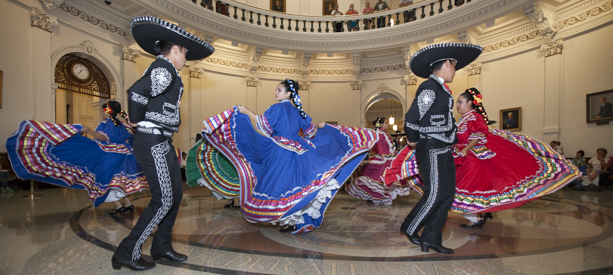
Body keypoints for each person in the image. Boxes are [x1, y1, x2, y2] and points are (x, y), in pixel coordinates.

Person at [198, 79, 377, 235]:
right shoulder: (298, 111)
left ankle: (297, 221)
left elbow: (265, 127)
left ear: (288, 93)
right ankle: (301, 222)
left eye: (279, 90)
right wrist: (323, 126)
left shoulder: (275, 108)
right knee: (299, 186)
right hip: (299, 150)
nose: (276, 92)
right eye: (276, 89)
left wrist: (246, 112)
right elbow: (310, 131)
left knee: (281, 187)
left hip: (280, 152)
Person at [386, 88, 581, 231]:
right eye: (458, 102)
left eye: (461, 102)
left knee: (461, 190)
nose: (458, 105)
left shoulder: (474, 118)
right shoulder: (464, 119)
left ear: (470, 103)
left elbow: (480, 135)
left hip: (472, 158)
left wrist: (465, 150)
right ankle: (476, 217)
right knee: (456, 191)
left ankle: (475, 217)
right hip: (464, 156)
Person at [111, 16, 215, 271]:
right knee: (163, 199)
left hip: (161, 142)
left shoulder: (168, 70)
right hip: (152, 140)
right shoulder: (165, 67)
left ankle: (161, 246)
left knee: (175, 195)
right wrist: (137, 121)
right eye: (185, 53)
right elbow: (137, 93)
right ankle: (127, 251)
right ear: (176, 50)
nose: (186, 59)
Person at [397, 43, 483, 254]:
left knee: (446, 195)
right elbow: (412, 118)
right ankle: (410, 227)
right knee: (435, 193)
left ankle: (431, 238)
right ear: (446, 63)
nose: (455, 70)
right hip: (431, 147)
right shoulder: (429, 87)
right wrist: (414, 140)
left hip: (443, 148)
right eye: (454, 65)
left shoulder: (441, 88)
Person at [5, 101, 148, 207]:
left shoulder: (108, 123)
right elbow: (131, 137)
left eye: (101, 110)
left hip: (109, 155)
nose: (100, 112)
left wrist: (88, 131)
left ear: (106, 111)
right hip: (124, 155)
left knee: (105, 180)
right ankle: (126, 204)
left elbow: (105, 138)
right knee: (117, 181)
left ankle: (119, 206)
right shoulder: (122, 124)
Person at [346, 117, 411, 205]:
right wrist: (382, 154)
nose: (387, 124)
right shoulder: (379, 133)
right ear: (380, 124)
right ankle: (379, 196)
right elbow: (378, 144)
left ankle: (385, 195)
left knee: (388, 178)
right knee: (379, 179)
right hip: (384, 158)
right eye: (386, 122)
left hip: (390, 157)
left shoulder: (385, 133)